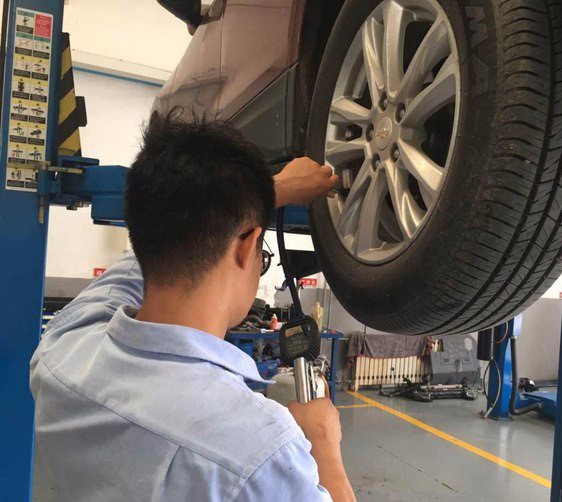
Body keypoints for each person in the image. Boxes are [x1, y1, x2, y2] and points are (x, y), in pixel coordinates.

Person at [29, 112, 355, 502]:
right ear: (247, 246)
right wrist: (324, 445)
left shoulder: (62, 354)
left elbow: (156, 244)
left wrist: (259, 198)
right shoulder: (262, 452)